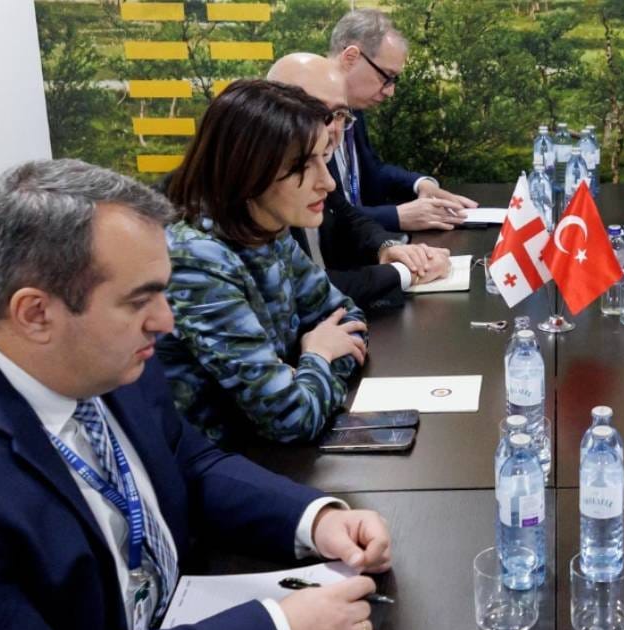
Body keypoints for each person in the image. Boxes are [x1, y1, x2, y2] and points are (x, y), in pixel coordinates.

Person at [0, 158, 394, 630]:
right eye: (139, 301)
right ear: (36, 313)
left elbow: (186, 461)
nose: (165, 322)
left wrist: (313, 519)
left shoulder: (101, 355)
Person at [159, 79, 368, 446]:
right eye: (303, 165)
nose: (328, 183)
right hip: (224, 466)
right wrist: (317, 354)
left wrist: (302, 375)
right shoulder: (195, 260)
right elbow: (292, 419)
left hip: (270, 457)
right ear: (247, 169)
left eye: (324, 158)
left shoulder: (265, 228)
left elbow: (348, 322)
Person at [267, 52, 452, 309]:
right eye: (318, 112)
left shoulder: (318, 161)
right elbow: (303, 291)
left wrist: (387, 247)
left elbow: (345, 214)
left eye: (340, 114)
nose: (332, 129)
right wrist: (406, 272)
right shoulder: (251, 199)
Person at [328, 8, 477, 232]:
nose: (390, 92)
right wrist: (397, 216)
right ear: (351, 58)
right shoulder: (304, 116)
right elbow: (324, 217)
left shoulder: (353, 107)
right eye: (386, 77)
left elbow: (371, 171)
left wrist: (421, 184)